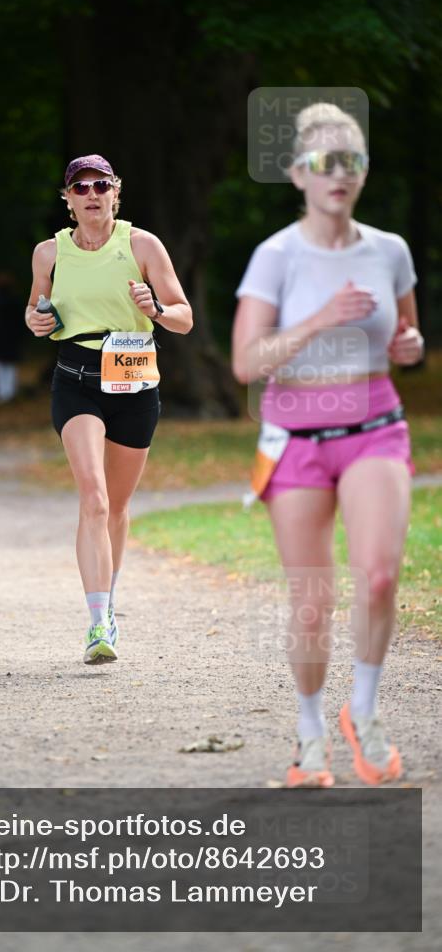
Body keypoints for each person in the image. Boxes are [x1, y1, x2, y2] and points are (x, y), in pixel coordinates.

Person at [232, 103, 424, 787]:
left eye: (352, 161)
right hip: (298, 438)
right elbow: (246, 362)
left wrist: (410, 346)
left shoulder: (390, 251)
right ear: (297, 173)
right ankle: (309, 730)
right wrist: (319, 318)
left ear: (363, 172)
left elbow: (406, 338)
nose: (338, 174)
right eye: (324, 161)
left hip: (374, 425)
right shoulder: (277, 256)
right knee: (312, 601)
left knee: (379, 576)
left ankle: (362, 712)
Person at [26, 154, 193, 664]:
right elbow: (36, 310)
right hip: (76, 379)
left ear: (116, 192)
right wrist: (36, 321)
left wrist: (155, 309)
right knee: (94, 499)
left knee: (117, 507)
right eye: (81, 187)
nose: (92, 194)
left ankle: (110, 601)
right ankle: (98, 622)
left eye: (101, 185)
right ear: (68, 199)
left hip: (135, 379)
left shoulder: (142, 245)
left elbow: (184, 317)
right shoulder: (49, 252)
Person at [0, 271, 25, 403]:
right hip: (6, 337)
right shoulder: (12, 299)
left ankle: (4, 392)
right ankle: (5, 392)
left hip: (3, 337)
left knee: (2, 363)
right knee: (4, 363)